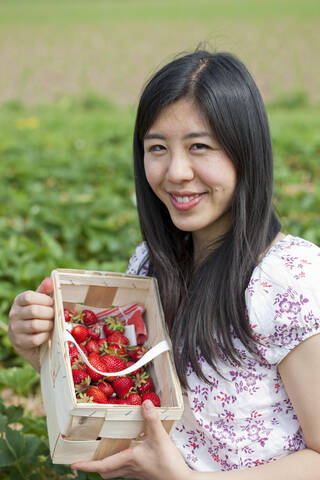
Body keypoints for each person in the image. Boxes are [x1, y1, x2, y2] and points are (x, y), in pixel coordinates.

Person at [8, 50, 320, 479]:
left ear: (246, 152)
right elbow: (127, 392)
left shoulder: (291, 280)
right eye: (157, 147)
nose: (176, 171)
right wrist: (44, 354)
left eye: (199, 147)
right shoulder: (151, 264)